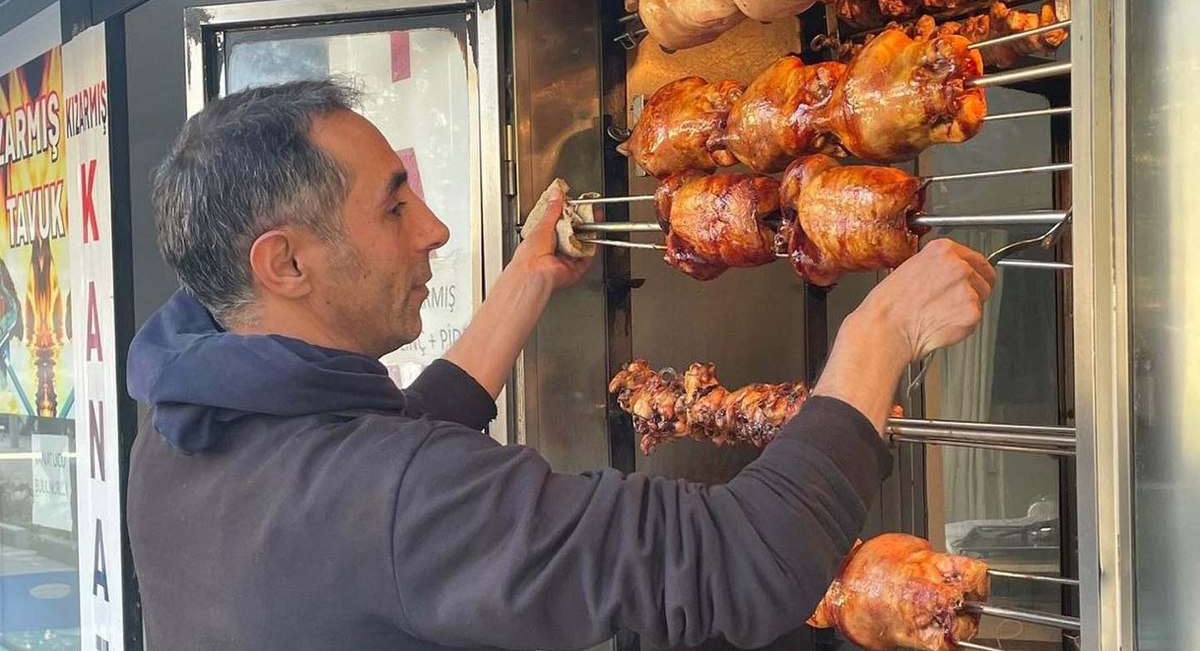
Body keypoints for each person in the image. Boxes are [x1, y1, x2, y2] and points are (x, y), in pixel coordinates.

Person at [126, 78, 995, 651]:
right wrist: (879, 332)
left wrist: (526, 285)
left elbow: (383, 461)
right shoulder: (394, 500)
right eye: (395, 208)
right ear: (284, 264)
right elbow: (744, 561)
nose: (432, 229)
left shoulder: (179, 432)